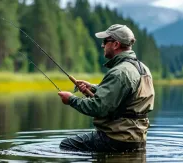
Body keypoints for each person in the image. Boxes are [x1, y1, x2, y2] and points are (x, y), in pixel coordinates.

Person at [58, 24, 155, 152]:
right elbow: (125, 97)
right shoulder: (142, 68)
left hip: (115, 139)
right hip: (137, 139)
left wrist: (71, 99)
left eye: (105, 41)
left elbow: (98, 107)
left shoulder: (119, 72)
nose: (103, 45)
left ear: (115, 44)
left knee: (66, 145)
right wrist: (93, 88)